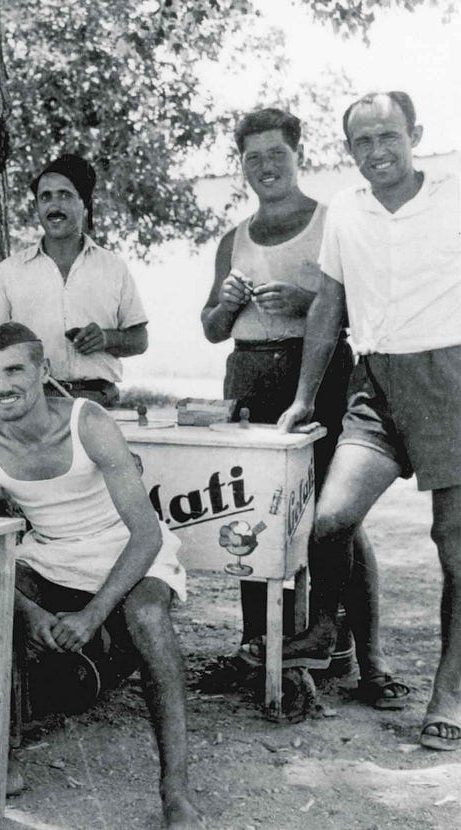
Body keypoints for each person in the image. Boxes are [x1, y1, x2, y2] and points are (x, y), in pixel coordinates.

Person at [0, 322, 201, 827]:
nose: (2, 385)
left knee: (145, 617)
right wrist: (26, 610)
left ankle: (176, 791)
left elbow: (146, 533)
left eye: (15, 370)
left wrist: (94, 613)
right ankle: (1, 762)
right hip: (51, 555)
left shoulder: (86, 421)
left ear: (43, 371)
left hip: (126, 551)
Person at [270, 91, 461, 752]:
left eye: (389, 136)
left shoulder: (454, 196)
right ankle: (324, 628)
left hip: (451, 380)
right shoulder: (346, 211)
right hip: (374, 380)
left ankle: (450, 692)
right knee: (331, 520)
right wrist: (302, 396)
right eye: (362, 142)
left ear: (415, 134)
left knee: (456, 547)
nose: (378, 152)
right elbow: (329, 302)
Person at [200, 108, 404, 707]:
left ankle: (370, 661)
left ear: (298, 155)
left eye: (276, 154)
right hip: (250, 377)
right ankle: (259, 649)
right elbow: (212, 327)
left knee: (338, 518)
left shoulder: (331, 221)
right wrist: (227, 303)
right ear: (242, 167)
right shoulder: (232, 238)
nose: (266, 166)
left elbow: (366, 307)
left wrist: (305, 299)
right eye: (252, 157)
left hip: (322, 378)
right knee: (252, 516)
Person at [0, 153, 148, 408]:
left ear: (84, 203)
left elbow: (140, 339)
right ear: (37, 207)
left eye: (65, 195)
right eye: (45, 197)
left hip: (98, 401)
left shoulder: (113, 267)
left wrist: (107, 338)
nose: (54, 206)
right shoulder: (11, 270)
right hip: (31, 403)